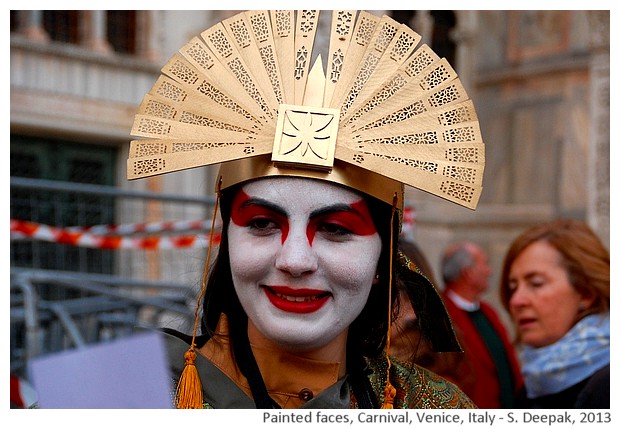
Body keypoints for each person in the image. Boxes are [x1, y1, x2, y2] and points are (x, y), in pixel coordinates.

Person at [128, 10, 485, 409]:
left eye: (336, 228)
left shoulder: (433, 406)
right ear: (227, 240)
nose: (295, 260)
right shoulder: (107, 394)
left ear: (383, 261)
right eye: (262, 223)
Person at [499, 219, 610, 409]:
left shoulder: (608, 388)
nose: (516, 301)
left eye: (536, 284)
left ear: (585, 293)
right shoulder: (531, 389)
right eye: (513, 287)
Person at [439, 241, 523, 408]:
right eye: (484, 263)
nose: (490, 271)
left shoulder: (487, 311)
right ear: (468, 273)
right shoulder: (441, 315)